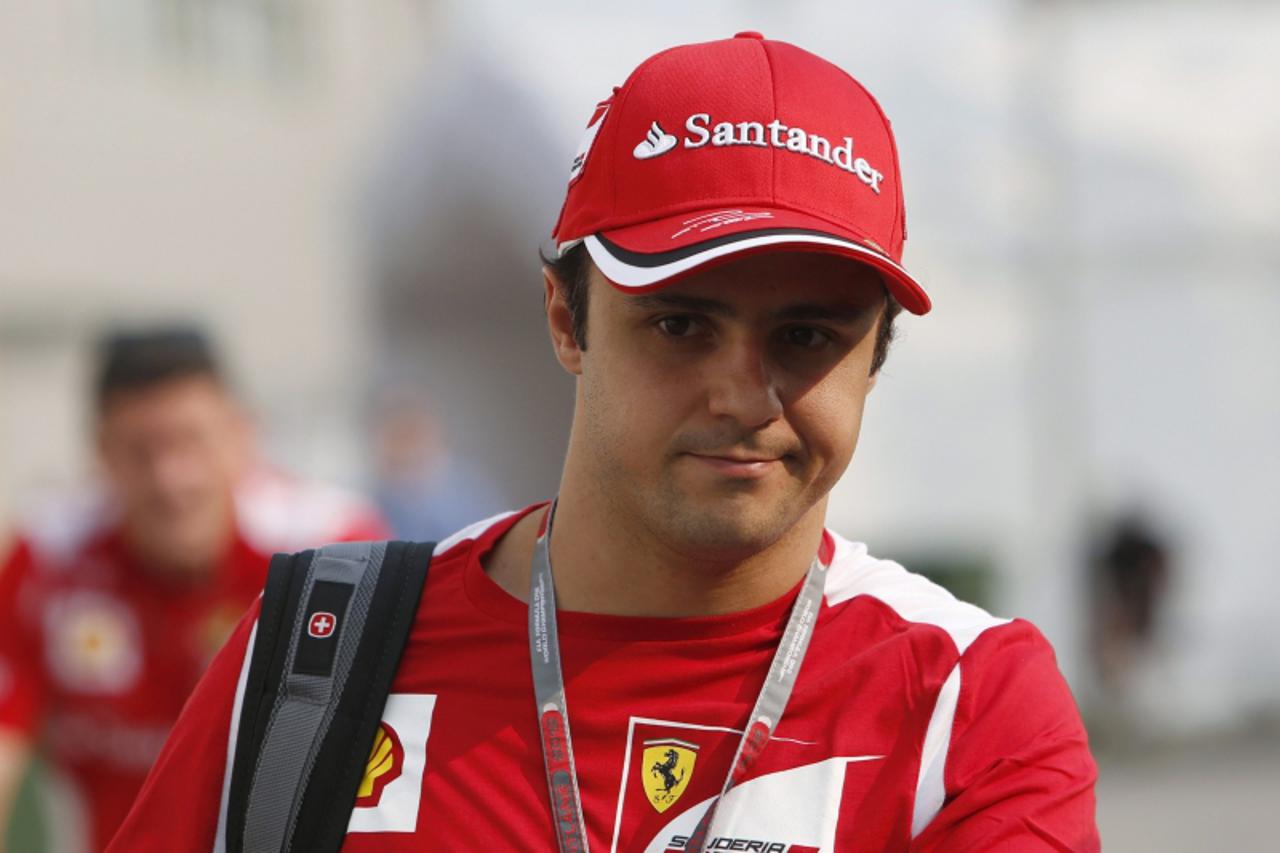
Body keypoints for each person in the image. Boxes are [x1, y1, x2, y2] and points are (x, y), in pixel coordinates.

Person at [111, 34, 1099, 851]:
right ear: (565, 320)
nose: (741, 394)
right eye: (680, 325)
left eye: (805, 336)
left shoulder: (965, 706)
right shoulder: (312, 651)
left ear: (874, 356)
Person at [0, 327, 387, 851]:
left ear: (241, 435)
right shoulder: (47, 559)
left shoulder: (334, 553)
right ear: (101, 452)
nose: (170, 480)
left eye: (190, 442)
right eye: (141, 451)